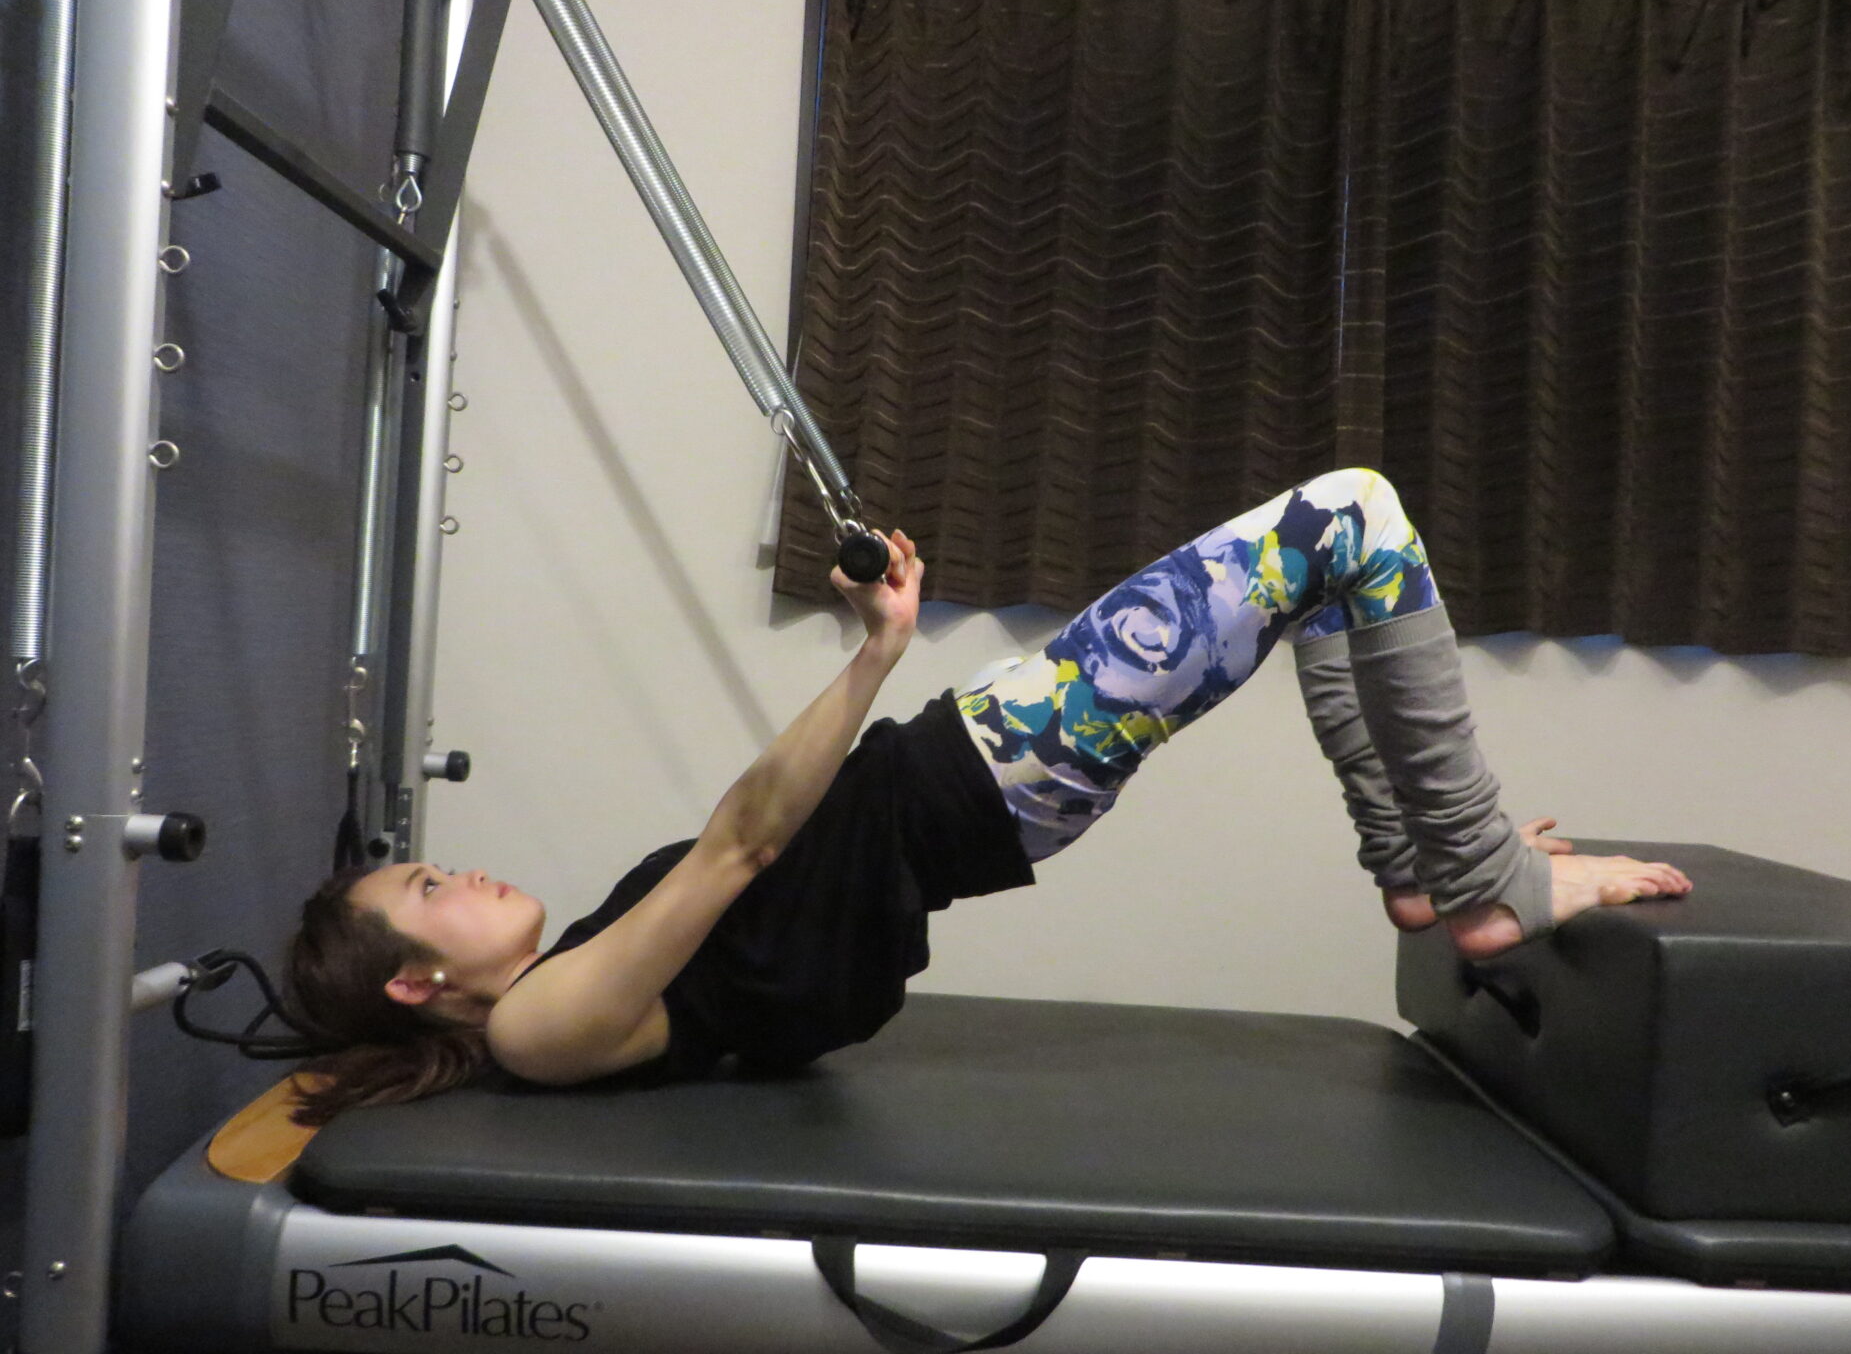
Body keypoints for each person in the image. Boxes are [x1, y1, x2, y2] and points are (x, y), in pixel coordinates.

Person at [286, 468, 1689, 1123]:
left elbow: (767, 881)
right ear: (415, 983)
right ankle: (1482, 880)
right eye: (429, 890)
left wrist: (881, 660)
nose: (462, 873)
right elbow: (742, 844)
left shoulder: (564, 993)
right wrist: (876, 655)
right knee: (1351, 515)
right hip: (990, 771)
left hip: (986, 769)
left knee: (1327, 575)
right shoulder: (534, 1027)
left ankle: (1420, 864)